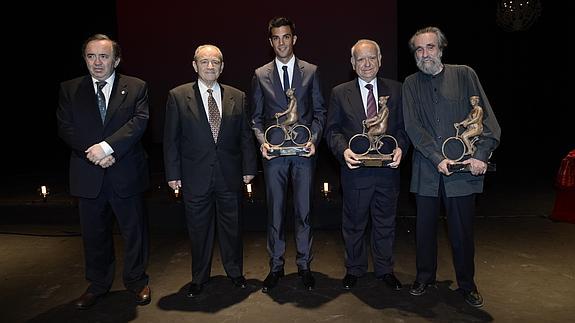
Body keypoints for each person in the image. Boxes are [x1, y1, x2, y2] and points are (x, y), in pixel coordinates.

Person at [402, 26, 501, 308]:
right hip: (427, 171)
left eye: (430, 47)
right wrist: (437, 158)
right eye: (419, 50)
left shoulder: (465, 74)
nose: (424, 54)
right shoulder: (410, 84)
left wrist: (481, 154)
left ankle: (467, 285)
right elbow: (413, 127)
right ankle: (424, 278)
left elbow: (487, 122)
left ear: (441, 49)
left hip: (462, 172)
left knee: (462, 232)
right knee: (423, 231)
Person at [57, 34, 151, 309]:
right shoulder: (69, 89)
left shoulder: (136, 87)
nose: (97, 62)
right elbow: (65, 127)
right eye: (91, 56)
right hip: (88, 175)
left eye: (104, 56)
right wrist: (95, 154)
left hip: (126, 173)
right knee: (94, 235)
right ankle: (97, 285)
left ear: (116, 60)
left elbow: (139, 122)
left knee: (134, 233)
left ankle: (136, 281)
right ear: (85, 59)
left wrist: (107, 148)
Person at [164, 44, 257, 298]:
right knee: (198, 230)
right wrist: (173, 174)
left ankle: (235, 273)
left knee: (232, 228)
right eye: (204, 61)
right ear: (195, 65)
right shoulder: (177, 96)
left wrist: (249, 168)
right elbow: (171, 139)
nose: (209, 66)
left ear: (222, 67)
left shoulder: (237, 96)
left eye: (215, 62)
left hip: (230, 175)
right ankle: (199, 277)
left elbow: (245, 137)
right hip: (195, 177)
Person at [325, 39, 409, 291]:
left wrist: (401, 149)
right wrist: (344, 151)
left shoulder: (398, 90)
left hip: (387, 172)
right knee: (354, 224)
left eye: (371, 57)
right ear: (352, 64)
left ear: (380, 60)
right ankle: (355, 269)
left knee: (385, 223)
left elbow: (405, 129)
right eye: (361, 59)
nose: (367, 63)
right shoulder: (340, 93)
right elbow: (332, 130)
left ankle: (385, 269)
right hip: (355, 172)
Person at [250, 16, 327, 292]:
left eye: (286, 37)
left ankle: (304, 265)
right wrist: (262, 142)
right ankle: (276, 267)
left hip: (304, 155)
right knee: (276, 213)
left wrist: (315, 139)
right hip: (274, 157)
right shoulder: (260, 74)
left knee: (304, 212)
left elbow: (319, 112)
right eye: (276, 38)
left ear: (294, 39)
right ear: (270, 42)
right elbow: (256, 118)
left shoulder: (312, 71)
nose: (281, 42)